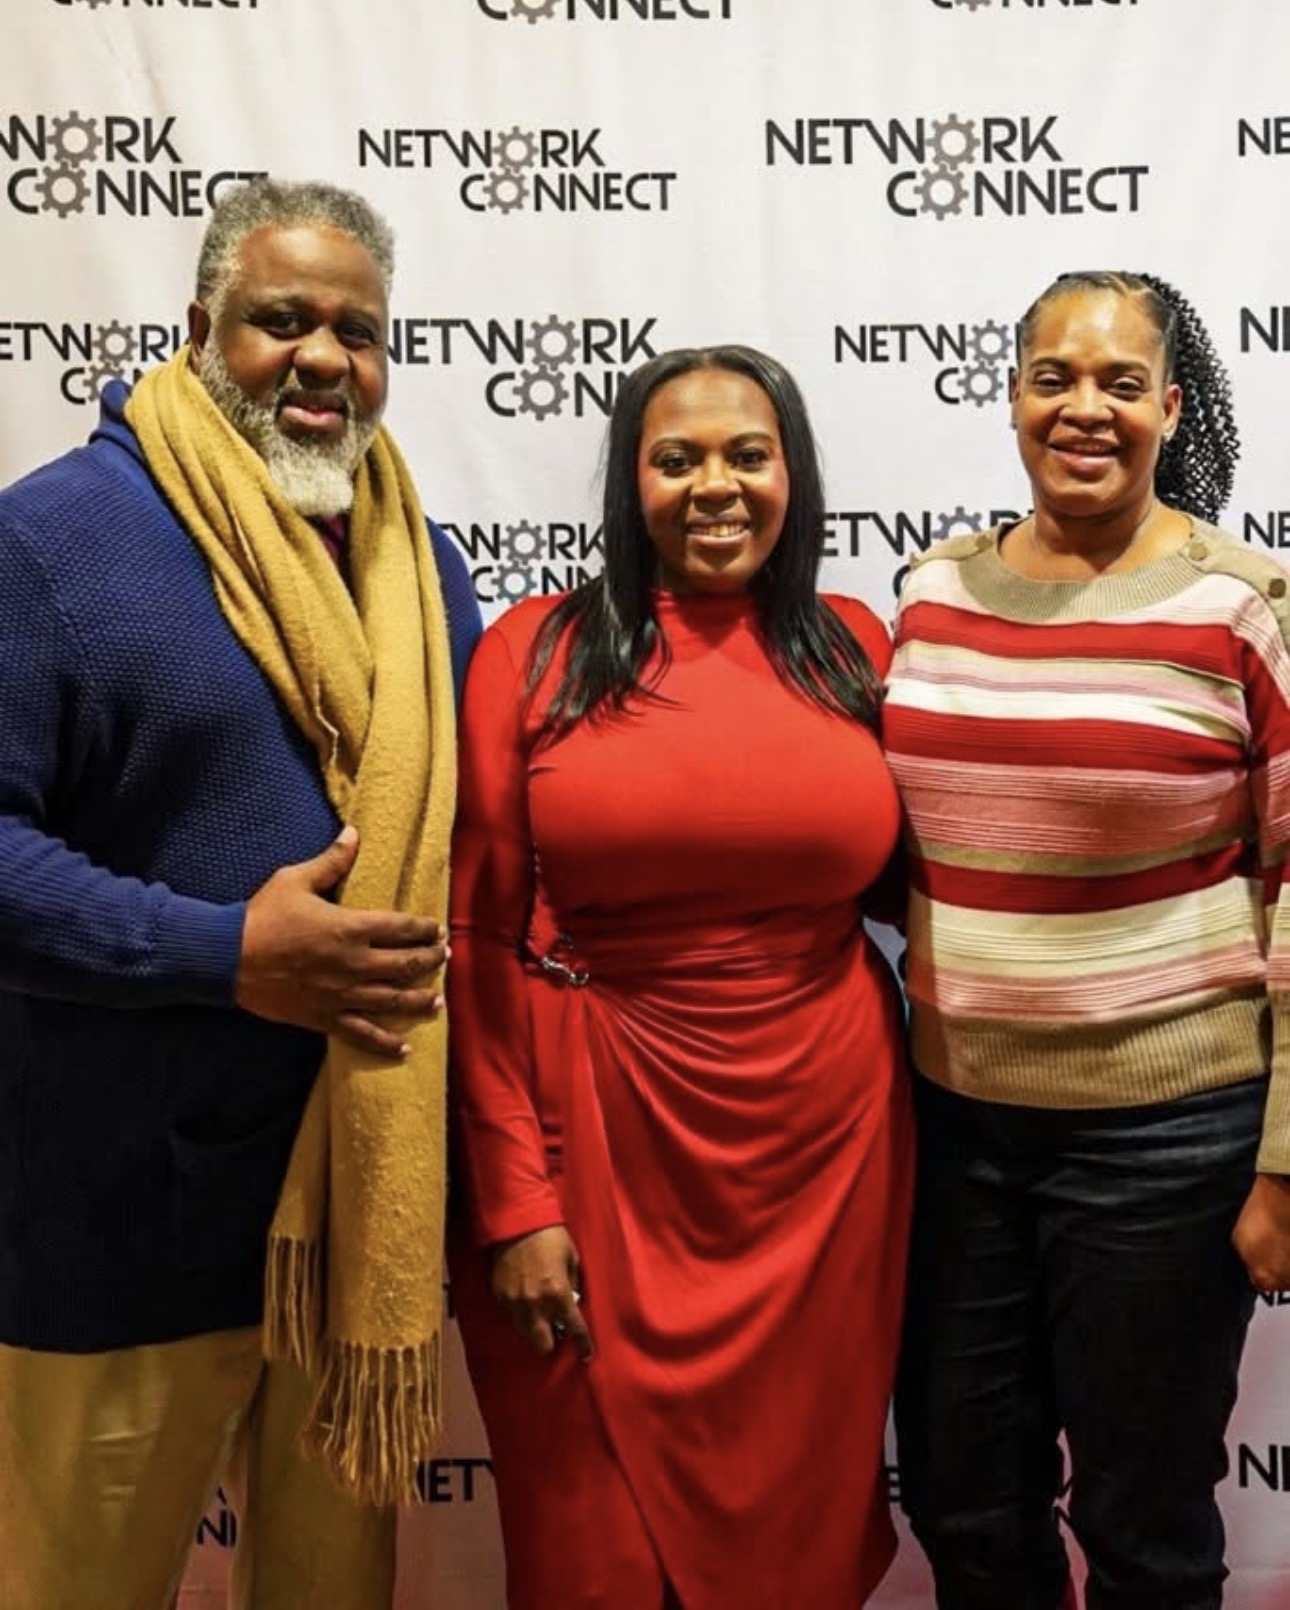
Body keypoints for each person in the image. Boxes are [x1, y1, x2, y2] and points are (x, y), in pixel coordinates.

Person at [0, 178, 481, 1609]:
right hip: (115, 1226)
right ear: (199, 327)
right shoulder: (57, 540)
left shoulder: (419, 565)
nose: (324, 357)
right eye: (282, 320)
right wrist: (223, 951)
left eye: (359, 328)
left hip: (353, 1234)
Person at [448, 343, 913, 1610]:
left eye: (748, 455)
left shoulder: (854, 645)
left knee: (793, 1537)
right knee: (590, 1550)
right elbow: (478, 939)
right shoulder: (533, 651)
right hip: (587, 1141)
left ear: (793, 473)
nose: (717, 486)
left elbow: (936, 874)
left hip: (825, 1163)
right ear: (629, 480)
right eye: (678, 458)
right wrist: (513, 1202)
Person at [884, 270, 1290, 1610]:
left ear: (1171, 408)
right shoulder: (929, 590)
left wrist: (1283, 1165)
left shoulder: (1243, 605)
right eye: (1053, 375)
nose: (1084, 406)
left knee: (1143, 1516)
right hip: (951, 1132)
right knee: (962, 1497)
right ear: (1007, 396)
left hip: (1165, 1142)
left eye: (1121, 382)